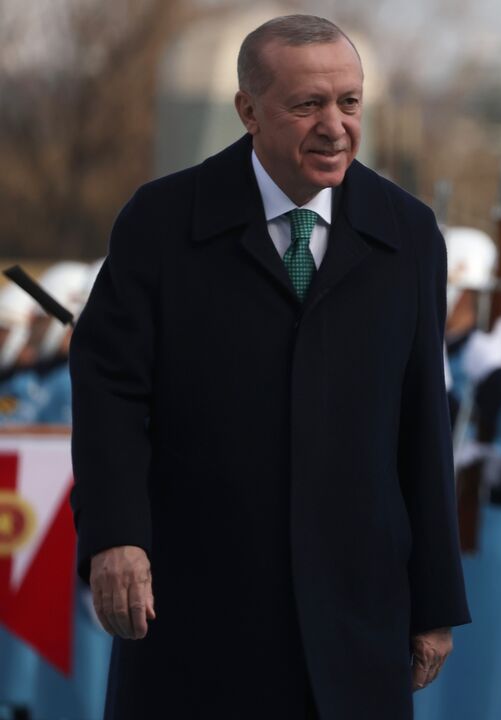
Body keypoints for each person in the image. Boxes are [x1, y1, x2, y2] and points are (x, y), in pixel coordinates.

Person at [68, 15, 468, 719]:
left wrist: (434, 599)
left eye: (349, 102)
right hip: (197, 606)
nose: (335, 126)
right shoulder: (163, 223)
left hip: (355, 610)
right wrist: (115, 537)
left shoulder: (406, 233)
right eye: (307, 104)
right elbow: (110, 393)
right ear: (248, 111)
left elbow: (422, 422)